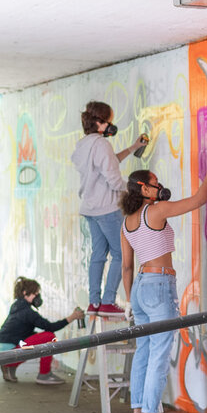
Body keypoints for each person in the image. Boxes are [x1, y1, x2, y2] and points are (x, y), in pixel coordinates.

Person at [118, 152, 207, 413]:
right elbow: (198, 200)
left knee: (144, 351)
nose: (159, 186)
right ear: (143, 188)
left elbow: (126, 267)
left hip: (139, 288)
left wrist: (129, 301)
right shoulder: (156, 211)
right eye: (154, 183)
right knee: (159, 354)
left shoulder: (127, 221)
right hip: (159, 284)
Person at [71, 101, 147, 315]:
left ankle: (94, 302)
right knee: (121, 254)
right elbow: (113, 179)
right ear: (99, 122)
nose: (112, 125)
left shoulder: (84, 144)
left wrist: (132, 149)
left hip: (89, 208)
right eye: (109, 121)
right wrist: (135, 191)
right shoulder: (102, 145)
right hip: (107, 207)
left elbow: (108, 162)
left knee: (98, 254)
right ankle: (108, 300)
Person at [0, 277, 85, 385]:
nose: (38, 297)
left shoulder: (17, 306)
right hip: (9, 350)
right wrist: (72, 317)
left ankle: (9, 366)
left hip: (3, 349)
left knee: (38, 337)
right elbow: (50, 327)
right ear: (25, 293)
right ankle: (43, 374)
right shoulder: (28, 312)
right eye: (35, 294)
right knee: (49, 336)